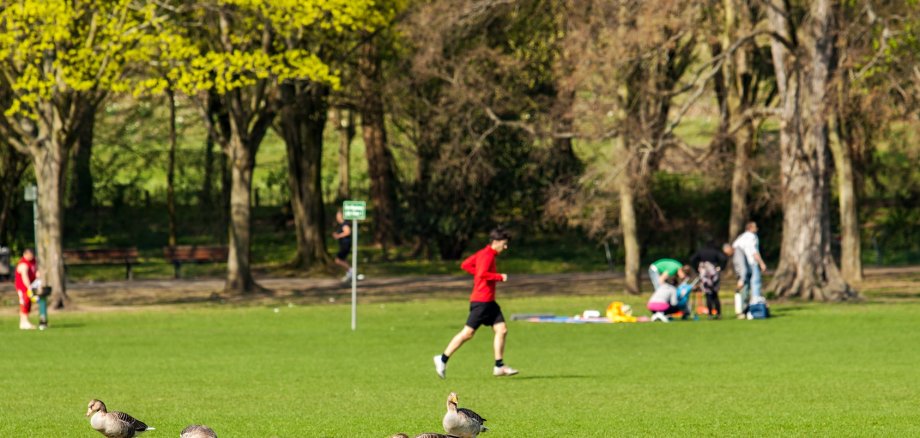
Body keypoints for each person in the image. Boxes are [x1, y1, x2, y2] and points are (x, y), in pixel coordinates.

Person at [434, 228, 518, 379]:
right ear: (496, 242)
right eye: (504, 244)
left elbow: (465, 265)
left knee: (502, 330)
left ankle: (499, 366)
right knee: (467, 333)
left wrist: (480, 274)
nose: (505, 247)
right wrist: (499, 276)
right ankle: (442, 358)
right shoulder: (487, 256)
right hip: (481, 301)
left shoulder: (483, 253)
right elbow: (482, 273)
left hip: (489, 302)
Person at [732, 221, 768, 315]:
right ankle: (755, 308)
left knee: (746, 286)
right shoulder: (752, 237)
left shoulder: (741, 237)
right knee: (756, 284)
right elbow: (753, 251)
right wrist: (761, 263)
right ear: (750, 228)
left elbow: (734, 247)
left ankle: (744, 308)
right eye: (755, 227)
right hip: (752, 263)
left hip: (744, 265)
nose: (757, 228)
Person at [690, 243, 731, 319]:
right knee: (715, 294)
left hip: (704, 274)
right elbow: (724, 259)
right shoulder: (715, 251)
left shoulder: (701, 251)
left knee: (708, 294)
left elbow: (692, 259)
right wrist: (721, 267)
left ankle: (710, 314)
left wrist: (696, 269)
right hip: (714, 274)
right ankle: (718, 314)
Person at [332, 209, 363, 282]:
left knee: (338, 260)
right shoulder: (342, 224)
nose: (337, 217)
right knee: (343, 260)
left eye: (338, 215)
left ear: (341, 216)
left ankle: (351, 272)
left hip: (345, 244)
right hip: (344, 244)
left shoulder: (344, 224)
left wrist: (338, 236)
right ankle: (350, 273)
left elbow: (348, 232)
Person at [14, 248, 38, 330]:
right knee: (24, 303)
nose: (32, 256)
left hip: (31, 286)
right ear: (26, 254)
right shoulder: (23, 264)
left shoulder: (33, 261)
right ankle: (23, 322)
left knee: (29, 303)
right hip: (23, 287)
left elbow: (36, 271)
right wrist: (29, 287)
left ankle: (25, 321)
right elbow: (25, 277)